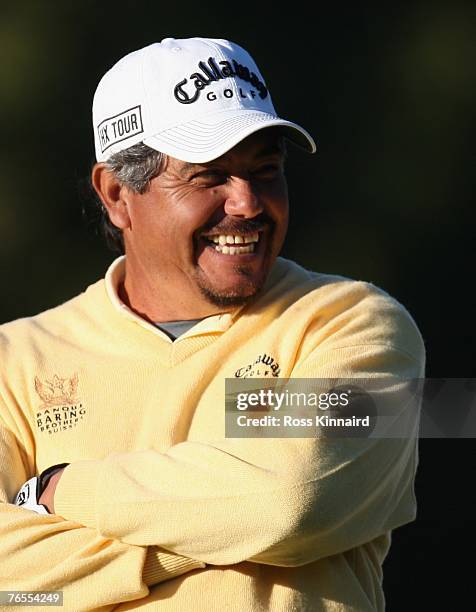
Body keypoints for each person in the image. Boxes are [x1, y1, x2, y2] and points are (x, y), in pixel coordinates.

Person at [0, 37, 425, 611]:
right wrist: (217, 530)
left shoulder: (355, 323)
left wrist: (56, 491)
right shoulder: (15, 359)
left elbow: (292, 497)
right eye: (209, 177)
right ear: (117, 194)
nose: (248, 202)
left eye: (266, 170)